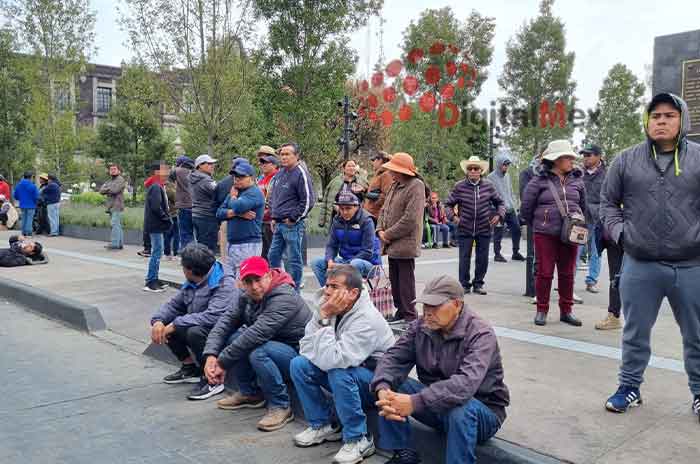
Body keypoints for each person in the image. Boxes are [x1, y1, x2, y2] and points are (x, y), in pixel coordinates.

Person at [600, 92, 700, 421]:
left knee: (696, 335)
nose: (661, 121)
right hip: (640, 264)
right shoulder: (626, 160)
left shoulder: (698, 158)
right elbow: (607, 204)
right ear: (647, 121)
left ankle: (699, 392)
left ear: (681, 120)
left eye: (669, 115)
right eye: (655, 115)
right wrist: (622, 235)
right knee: (635, 332)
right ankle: (629, 387)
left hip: (691, 264)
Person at [371, 275, 510, 464]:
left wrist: (415, 401)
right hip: (436, 404)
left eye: (435, 307)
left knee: (461, 409)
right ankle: (404, 455)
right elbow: (393, 358)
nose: (427, 313)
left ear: (457, 305)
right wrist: (382, 388)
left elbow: (465, 385)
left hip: (481, 411)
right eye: (425, 306)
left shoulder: (480, 333)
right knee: (391, 388)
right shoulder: (421, 326)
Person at [290, 265, 395, 463]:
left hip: (377, 385)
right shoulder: (328, 305)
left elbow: (334, 361)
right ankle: (323, 424)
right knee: (299, 364)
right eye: (327, 284)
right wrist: (324, 318)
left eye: (334, 286)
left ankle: (358, 439)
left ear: (353, 292)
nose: (328, 291)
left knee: (339, 372)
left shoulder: (367, 319)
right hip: (346, 372)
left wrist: (324, 320)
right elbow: (305, 346)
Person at [202, 256, 311, 432]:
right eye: (248, 281)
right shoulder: (245, 296)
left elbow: (257, 333)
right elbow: (225, 323)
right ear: (241, 282)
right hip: (272, 344)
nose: (254, 286)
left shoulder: (284, 296)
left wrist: (222, 362)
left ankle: (281, 405)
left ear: (268, 275)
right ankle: (250, 393)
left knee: (257, 351)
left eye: (258, 279)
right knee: (234, 337)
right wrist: (210, 355)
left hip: (299, 353)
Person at [149, 243, 232, 400]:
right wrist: (158, 321)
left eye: (183, 266)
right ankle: (190, 368)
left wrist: (176, 324)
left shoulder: (224, 283)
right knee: (169, 325)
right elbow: (174, 305)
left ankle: (212, 379)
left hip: (224, 331)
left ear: (190, 270)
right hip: (201, 324)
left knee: (193, 331)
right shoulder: (193, 281)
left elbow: (214, 316)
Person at [520, 140, 585, 327]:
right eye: (567, 157)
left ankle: (567, 311)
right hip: (545, 234)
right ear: (556, 160)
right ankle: (542, 310)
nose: (572, 160)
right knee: (545, 273)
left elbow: (583, 206)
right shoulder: (538, 181)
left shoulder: (577, 181)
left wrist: (579, 223)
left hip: (571, 234)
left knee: (567, 274)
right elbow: (526, 208)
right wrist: (540, 224)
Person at [376, 153, 426, 323]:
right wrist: (379, 230)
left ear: (403, 171)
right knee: (395, 282)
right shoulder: (395, 185)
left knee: (405, 283)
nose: (390, 172)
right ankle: (401, 311)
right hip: (392, 244)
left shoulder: (416, 186)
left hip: (405, 244)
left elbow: (410, 219)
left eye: (394, 170)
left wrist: (387, 234)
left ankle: (410, 314)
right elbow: (384, 209)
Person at [445, 156, 505, 296]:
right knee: (464, 258)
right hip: (464, 228)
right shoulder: (459, 186)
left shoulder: (489, 186)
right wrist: (454, 218)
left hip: (484, 228)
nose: (472, 171)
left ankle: (478, 284)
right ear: (467, 171)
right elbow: (447, 204)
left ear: (480, 171)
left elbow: (500, 203)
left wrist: (499, 216)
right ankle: (464, 285)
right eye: (470, 168)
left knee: (482, 259)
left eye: (475, 168)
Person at [267, 142, 316, 290]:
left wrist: (294, 218)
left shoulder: (300, 173)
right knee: (273, 256)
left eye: (287, 154)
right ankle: (277, 286)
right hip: (279, 224)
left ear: (296, 156)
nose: (284, 157)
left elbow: (308, 200)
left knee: (293, 259)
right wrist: (274, 217)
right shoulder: (280, 173)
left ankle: (294, 290)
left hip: (292, 225)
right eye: (282, 154)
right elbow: (275, 197)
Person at [311, 192, 381, 287]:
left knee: (355, 264)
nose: (344, 212)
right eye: (341, 209)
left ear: (356, 207)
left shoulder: (366, 221)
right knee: (316, 263)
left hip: (369, 264)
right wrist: (330, 260)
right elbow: (331, 245)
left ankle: (348, 295)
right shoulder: (337, 220)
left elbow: (367, 252)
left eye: (348, 208)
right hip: (346, 261)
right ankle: (329, 291)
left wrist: (343, 266)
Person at [215, 161, 265, 278]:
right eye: (235, 176)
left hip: (248, 244)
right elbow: (219, 213)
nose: (237, 179)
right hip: (232, 243)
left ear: (251, 178)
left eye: (241, 176)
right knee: (231, 279)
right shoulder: (235, 192)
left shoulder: (254, 192)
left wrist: (233, 199)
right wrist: (237, 214)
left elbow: (238, 206)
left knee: (244, 281)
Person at [487, 151, 524, 262]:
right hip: (498, 209)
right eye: (504, 165)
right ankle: (497, 254)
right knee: (498, 231)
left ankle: (515, 252)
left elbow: (511, 191)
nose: (506, 167)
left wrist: (514, 205)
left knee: (517, 229)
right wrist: (494, 210)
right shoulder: (490, 178)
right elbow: (489, 196)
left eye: (507, 165)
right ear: (499, 164)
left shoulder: (507, 176)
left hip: (510, 208)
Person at [578, 143, 605, 293]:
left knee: (596, 252)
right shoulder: (578, 173)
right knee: (575, 250)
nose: (585, 158)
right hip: (581, 220)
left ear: (598, 156)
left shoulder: (608, 174)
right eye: (584, 155)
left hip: (598, 220)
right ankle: (569, 280)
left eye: (589, 155)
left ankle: (591, 281)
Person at [143, 161, 172, 293]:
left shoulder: (157, 185)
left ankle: (154, 278)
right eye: (165, 169)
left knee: (157, 252)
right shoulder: (155, 186)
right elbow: (156, 206)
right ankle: (151, 281)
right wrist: (166, 218)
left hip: (155, 224)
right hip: (155, 225)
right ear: (157, 172)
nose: (167, 171)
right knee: (157, 252)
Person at [319, 159, 368, 230]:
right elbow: (329, 200)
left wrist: (363, 190)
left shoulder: (361, 181)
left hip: (357, 217)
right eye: (349, 166)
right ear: (343, 168)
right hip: (339, 217)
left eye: (353, 166)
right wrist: (336, 208)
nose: (351, 168)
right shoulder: (335, 182)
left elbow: (368, 196)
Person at [190, 154, 219, 254]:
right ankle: (206, 268)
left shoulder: (193, 177)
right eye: (209, 164)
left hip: (197, 214)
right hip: (207, 216)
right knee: (208, 249)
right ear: (200, 166)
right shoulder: (205, 180)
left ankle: (200, 267)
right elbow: (218, 192)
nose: (212, 166)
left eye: (213, 164)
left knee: (201, 246)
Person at [256, 146, 280, 259]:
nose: (262, 162)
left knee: (274, 256)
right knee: (263, 255)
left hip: (272, 222)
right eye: (260, 160)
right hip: (260, 222)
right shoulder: (259, 178)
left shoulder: (278, 177)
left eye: (265, 159)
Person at [99, 164, 127, 250]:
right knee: (117, 224)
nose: (112, 171)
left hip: (117, 205)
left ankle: (114, 243)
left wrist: (107, 188)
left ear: (119, 171)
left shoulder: (121, 180)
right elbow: (101, 191)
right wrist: (108, 188)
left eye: (114, 169)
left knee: (114, 223)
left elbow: (115, 190)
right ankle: (119, 243)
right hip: (111, 206)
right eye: (111, 169)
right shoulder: (109, 180)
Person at [364, 151, 394, 227]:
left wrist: (374, 200)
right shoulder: (378, 174)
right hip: (370, 214)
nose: (372, 163)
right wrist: (364, 190)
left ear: (380, 160)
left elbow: (388, 196)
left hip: (376, 217)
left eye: (374, 160)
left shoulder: (386, 174)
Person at [172, 155, 195, 249]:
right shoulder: (194, 173)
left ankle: (187, 253)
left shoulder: (179, 171)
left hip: (184, 205)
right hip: (194, 205)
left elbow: (168, 173)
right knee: (191, 232)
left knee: (185, 232)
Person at [13, 171, 39, 237]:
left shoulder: (19, 185)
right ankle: (29, 233)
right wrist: (36, 202)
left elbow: (15, 195)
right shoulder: (33, 186)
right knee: (29, 219)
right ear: (31, 177)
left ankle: (23, 232)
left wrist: (21, 199)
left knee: (24, 218)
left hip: (22, 204)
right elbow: (36, 196)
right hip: (31, 205)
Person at [164, 176, 180, 260]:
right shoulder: (170, 187)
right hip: (173, 214)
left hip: (169, 214)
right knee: (176, 234)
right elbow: (176, 198)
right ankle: (175, 253)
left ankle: (167, 253)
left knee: (168, 234)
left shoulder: (165, 186)